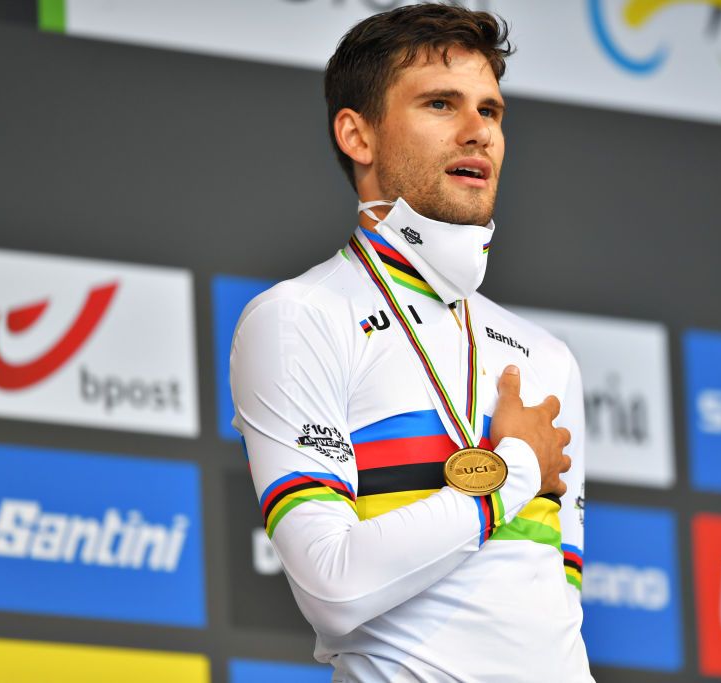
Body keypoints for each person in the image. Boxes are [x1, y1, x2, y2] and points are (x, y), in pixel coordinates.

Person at [230, 5, 591, 681]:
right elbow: (333, 589)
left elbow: (551, 616)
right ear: (356, 135)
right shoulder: (300, 318)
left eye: (491, 110)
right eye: (440, 103)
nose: (477, 130)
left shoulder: (546, 358)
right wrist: (511, 471)